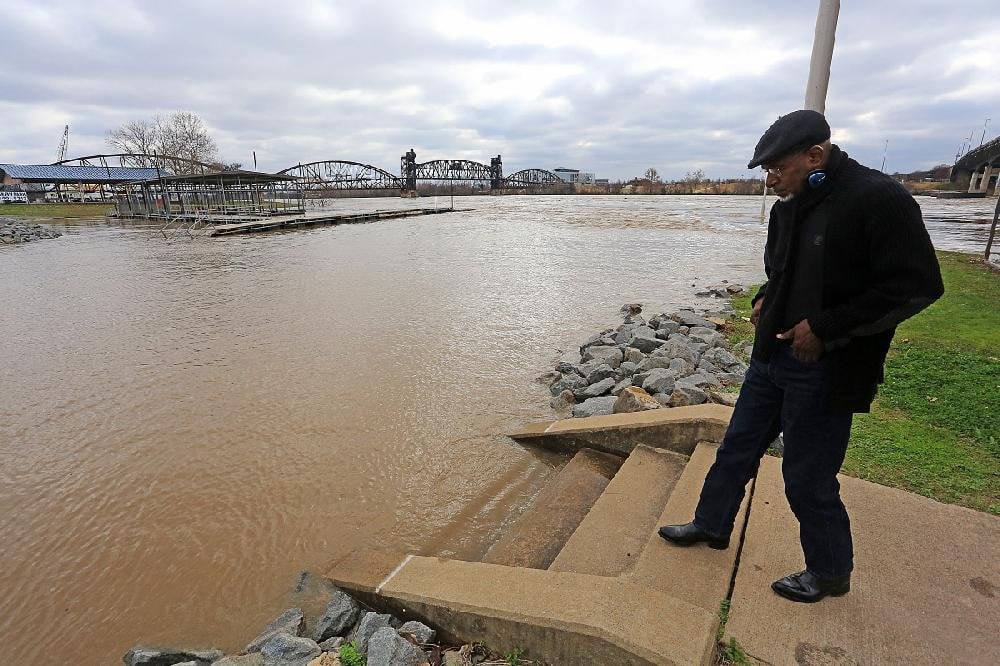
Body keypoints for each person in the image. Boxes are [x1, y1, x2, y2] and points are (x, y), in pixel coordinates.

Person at [658, 110, 944, 603]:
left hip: (827, 369)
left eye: (776, 168)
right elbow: (783, 272)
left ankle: (830, 572)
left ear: (816, 155)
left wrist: (826, 328)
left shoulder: (878, 198)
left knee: (807, 477)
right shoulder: (787, 208)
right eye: (765, 170)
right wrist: (765, 297)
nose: (770, 180)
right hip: (772, 359)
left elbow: (917, 287)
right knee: (735, 452)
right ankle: (711, 524)